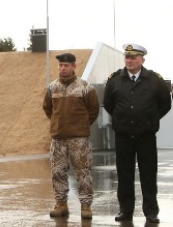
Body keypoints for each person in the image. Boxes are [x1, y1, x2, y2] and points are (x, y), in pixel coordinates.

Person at [103, 43, 171, 223]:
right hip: (123, 136)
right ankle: (125, 210)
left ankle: (151, 212)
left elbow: (165, 104)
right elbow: (109, 104)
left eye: (133, 57)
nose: (129, 60)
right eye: (127, 57)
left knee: (148, 174)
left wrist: (150, 119)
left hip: (146, 136)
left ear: (142, 60)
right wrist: (122, 118)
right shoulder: (115, 80)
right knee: (124, 175)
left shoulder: (155, 80)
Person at [42, 53, 99, 219]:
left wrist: (82, 125)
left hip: (79, 139)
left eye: (66, 65)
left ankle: (86, 206)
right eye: (60, 65)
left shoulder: (85, 88)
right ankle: (61, 204)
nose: (62, 68)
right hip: (58, 139)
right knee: (58, 172)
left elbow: (93, 110)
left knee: (83, 172)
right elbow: (47, 108)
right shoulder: (52, 88)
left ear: (74, 66)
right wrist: (57, 124)